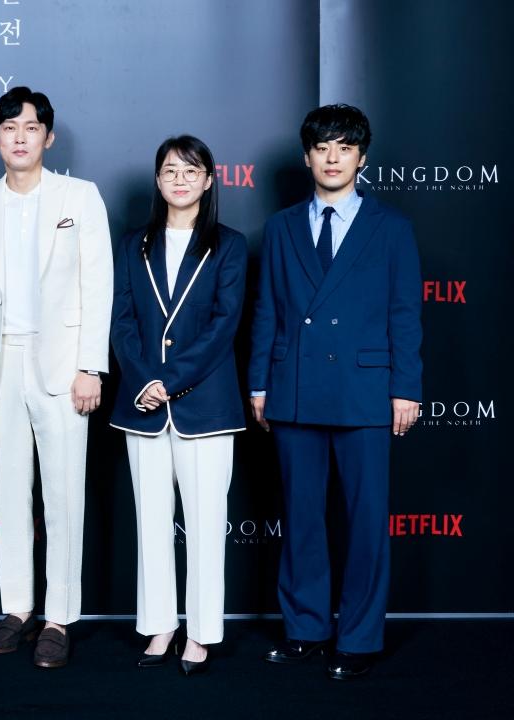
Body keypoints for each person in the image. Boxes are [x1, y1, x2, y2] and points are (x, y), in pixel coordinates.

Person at [249, 104, 423, 680]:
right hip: (294, 388)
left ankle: (360, 636)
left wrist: (406, 389)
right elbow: (267, 310)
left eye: (344, 147)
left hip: (366, 391)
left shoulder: (391, 227)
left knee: (366, 521)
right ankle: (305, 628)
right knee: (301, 517)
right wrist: (259, 383)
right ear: (307, 157)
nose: (332, 157)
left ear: (361, 158)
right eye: (322, 147)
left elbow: (405, 314)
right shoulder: (280, 227)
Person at [0, 86, 113, 669]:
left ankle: (59, 617)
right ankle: (17, 608)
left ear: (48, 136)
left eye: (30, 128)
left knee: (64, 497)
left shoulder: (80, 196)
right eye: (9, 129)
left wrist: (90, 366)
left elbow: (98, 285)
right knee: (9, 493)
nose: (19, 138)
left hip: (63, 367)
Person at [110, 135, 248, 676]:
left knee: (207, 524)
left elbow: (223, 326)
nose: (180, 180)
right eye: (170, 170)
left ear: (209, 180)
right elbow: (121, 321)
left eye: (192, 171)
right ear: (158, 179)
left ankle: (202, 632)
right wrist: (145, 381)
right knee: (151, 522)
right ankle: (160, 625)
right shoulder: (133, 244)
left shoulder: (229, 245)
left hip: (205, 405)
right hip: (141, 405)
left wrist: (167, 381)